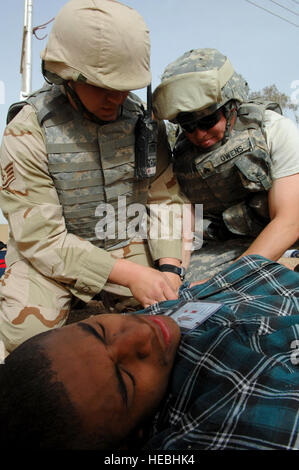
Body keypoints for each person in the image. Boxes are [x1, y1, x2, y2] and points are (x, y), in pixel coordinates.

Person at [0, 0, 187, 354]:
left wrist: (169, 270)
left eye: (125, 86)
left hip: (123, 240)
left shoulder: (144, 124)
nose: (116, 98)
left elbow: (165, 200)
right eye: (103, 86)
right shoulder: (28, 131)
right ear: (66, 75)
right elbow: (42, 240)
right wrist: (132, 276)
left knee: (169, 328)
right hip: (49, 257)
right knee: (29, 351)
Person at [1, 254, 299, 450]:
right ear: (135, 436)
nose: (140, 334)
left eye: (100, 332)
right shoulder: (222, 420)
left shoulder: (147, 321)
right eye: (125, 378)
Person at [152, 48, 299, 283]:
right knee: (190, 288)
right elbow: (184, 223)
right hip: (231, 241)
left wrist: (229, 280)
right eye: (188, 126)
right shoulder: (181, 157)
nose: (199, 134)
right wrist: (176, 274)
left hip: (284, 228)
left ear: (232, 107)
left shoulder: (273, 130)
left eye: (208, 120)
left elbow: (289, 221)